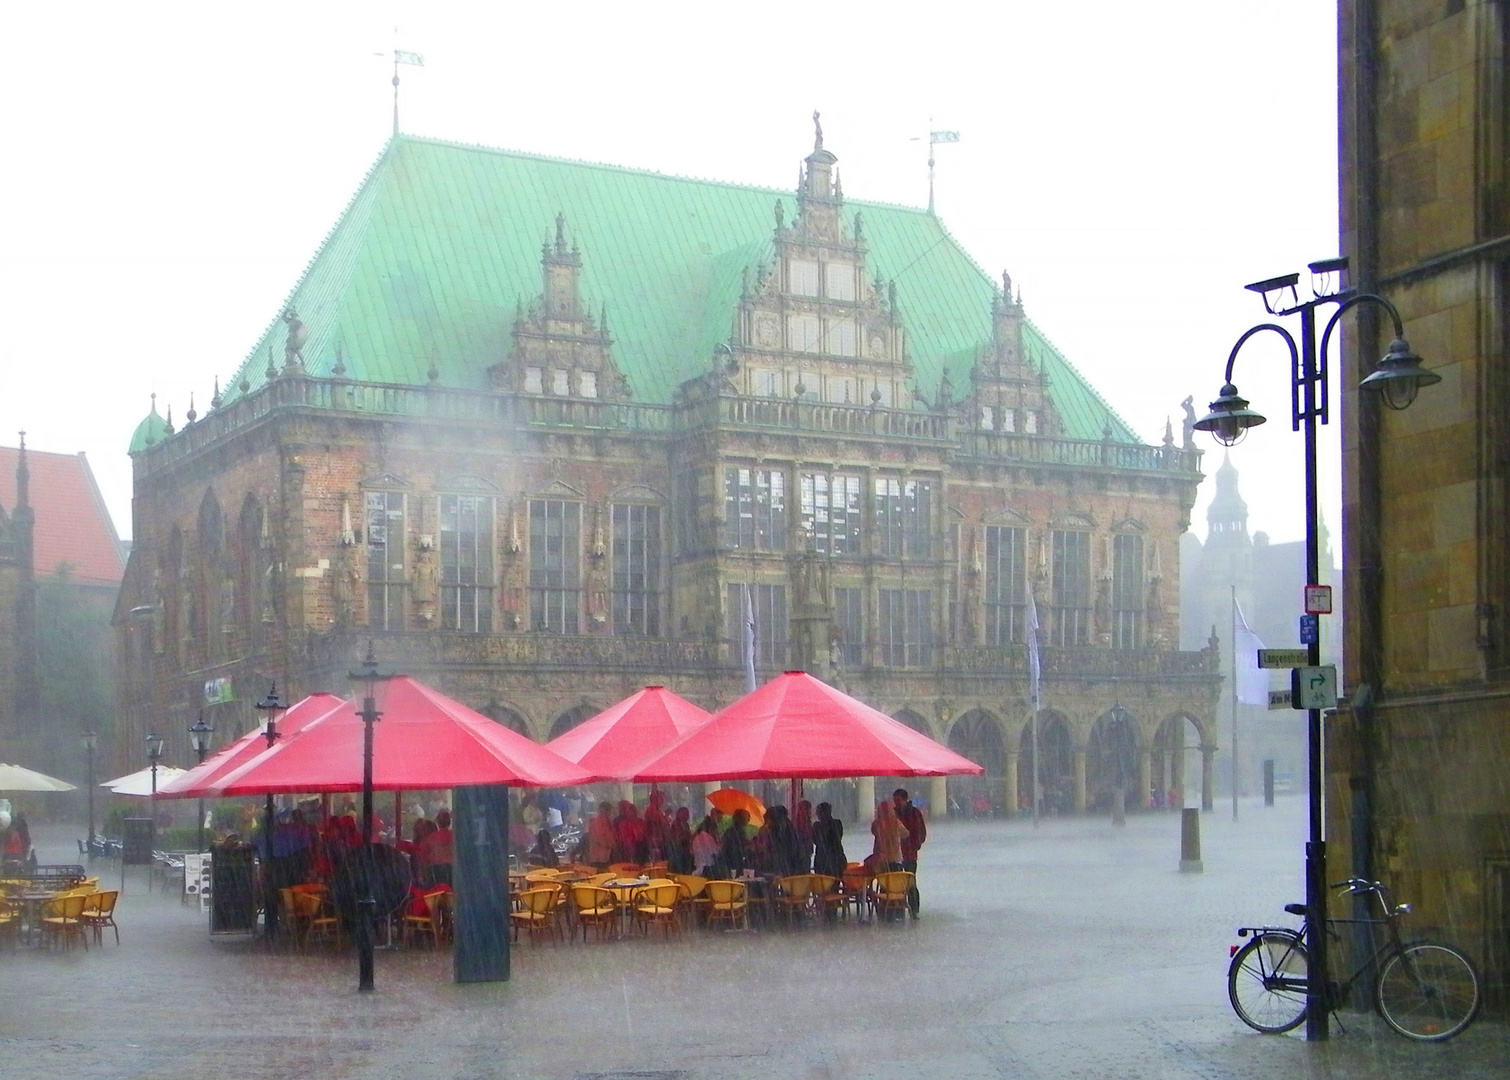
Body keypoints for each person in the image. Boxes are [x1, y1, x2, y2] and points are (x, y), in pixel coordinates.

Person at [892, 788, 927, 918]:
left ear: (905, 799)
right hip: (896, 854)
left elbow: (921, 832)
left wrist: (914, 846)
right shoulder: (893, 814)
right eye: (895, 801)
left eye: (898, 800)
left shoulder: (914, 813)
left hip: (909, 854)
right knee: (898, 884)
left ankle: (914, 909)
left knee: (910, 883)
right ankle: (899, 910)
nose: (896, 803)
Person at [763, 805, 803, 877]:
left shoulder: (782, 830)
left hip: (785, 866)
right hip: (786, 866)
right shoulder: (787, 828)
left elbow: (787, 849)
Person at [870, 799, 908, 874]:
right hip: (895, 859)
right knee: (895, 882)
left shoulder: (876, 824)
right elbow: (906, 834)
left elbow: (874, 832)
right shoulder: (896, 823)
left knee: (883, 881)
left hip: (881, 860)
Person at [419, 809, 454, 887]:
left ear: (438, 822)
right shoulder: (455, 837)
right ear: (449, 821)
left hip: (436, 870)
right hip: (453, 869)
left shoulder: (431, 838)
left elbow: (424, 857)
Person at [811, 802, 846, 879]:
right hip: (838, 860)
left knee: (822, 885)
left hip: (822, 861)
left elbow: (815, 841)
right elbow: (838, 837)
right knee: (834, 884)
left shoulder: (817, 827)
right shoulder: (837, 823)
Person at [720, 808, 752, 875]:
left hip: (728, 861)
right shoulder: (739, 832)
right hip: (736, 861)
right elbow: (743, 847)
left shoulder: (729, 831)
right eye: (747, 817)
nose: (749, 820)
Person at [586, 802, 616, 868]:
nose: (609, 812)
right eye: (607, 810)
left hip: (606, 855)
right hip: (598, 857)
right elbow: (598, 838)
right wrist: (610, 844)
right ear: (601, 810)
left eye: (609, 810)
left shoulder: (608, 821)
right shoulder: (596, 822)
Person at [666, 806, 694, 874]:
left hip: (685, 851)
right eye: (685, 814)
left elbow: (688, 836)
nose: (687, 816)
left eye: (687, 814)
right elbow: (677, 837)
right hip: (677, 851)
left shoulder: (686, 824)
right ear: (679, 814)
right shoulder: (676, 824)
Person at [793, 800, 815, 872]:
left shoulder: (803, 822)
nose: (810, 812)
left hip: (803, 853)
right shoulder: (800, 823)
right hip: (801, 854)